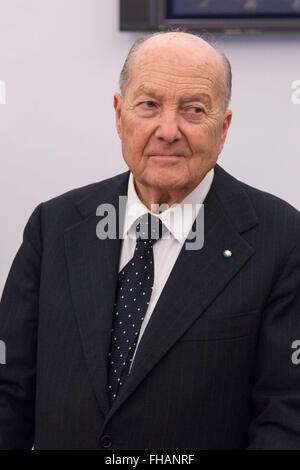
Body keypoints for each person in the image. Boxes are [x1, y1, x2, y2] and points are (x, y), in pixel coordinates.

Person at [1, 30, 300, 450]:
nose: (168, 130)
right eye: (149, 105)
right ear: (119, 114)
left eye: (194, 110)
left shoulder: (283, 240)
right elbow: (8, 392)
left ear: (224, 126)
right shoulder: (54, 226)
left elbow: (287, 416)